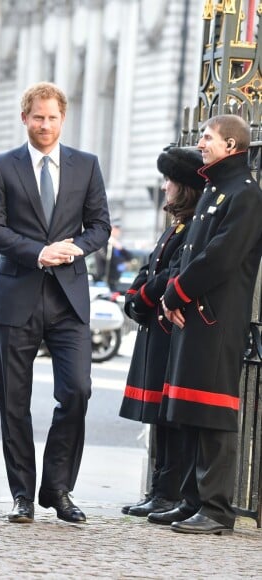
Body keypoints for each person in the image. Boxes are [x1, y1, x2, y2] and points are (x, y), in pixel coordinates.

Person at [0, 81, 111, 524]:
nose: (46, 125)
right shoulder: (0, 166)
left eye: (53, 117)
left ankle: (57, 488)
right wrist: (37, 252)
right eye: (38, 117)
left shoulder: (86, 166)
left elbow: (100, 227)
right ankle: (22, 494)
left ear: (63, 119)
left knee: (78, 391)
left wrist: (73, 247)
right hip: (17, 295)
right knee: (14, 401)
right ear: (25, 118)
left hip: (68, 298)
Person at [152, 114, 262, 535]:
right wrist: (172, 295)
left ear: (231, 146)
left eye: (207, 137)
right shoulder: (216, 187)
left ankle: (216, 509)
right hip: (195, 314)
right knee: (194, 411)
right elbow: (191, 253)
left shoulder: (245, 194)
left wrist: (175, 293)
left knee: (215, 414)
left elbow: (220, 257)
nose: (200, 142)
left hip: (217, 317)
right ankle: (192, 499)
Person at [119, 147, 205, 517]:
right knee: (159, 415)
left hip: (173, 331)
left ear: (184, 186)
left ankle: (169, 491)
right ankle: (159, 489)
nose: (165, 186)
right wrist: (135, 297)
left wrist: (147, 295)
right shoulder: (177, 224)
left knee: (174, 417)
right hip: (157, 326)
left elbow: (173, 274)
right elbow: (150, 268)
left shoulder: (195, 226)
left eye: (170, 180)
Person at [94, 221, 133, 292]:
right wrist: (121, 263)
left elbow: (129, 256)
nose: (117, 232)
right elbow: (107, 258)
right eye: (115, 229)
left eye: (118, 230)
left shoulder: (117, 245)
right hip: (103, 281)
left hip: (115, 280)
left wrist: (120, 248)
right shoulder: (103, 243)